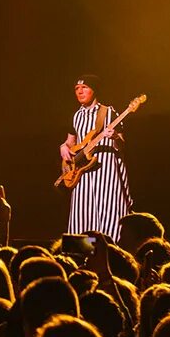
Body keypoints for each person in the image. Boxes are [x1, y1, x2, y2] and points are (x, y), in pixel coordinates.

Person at [59, 75, 131, 240]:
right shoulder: (76, 116)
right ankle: (85, 247)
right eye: (77, 89)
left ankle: (110, 247)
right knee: (82, 211)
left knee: (109, 208)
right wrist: (63, 147)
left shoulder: (108, 112)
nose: (80, 91)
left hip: (105, 169)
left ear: (94, 90)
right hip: (82, 172)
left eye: (84, 87)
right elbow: (70, 142)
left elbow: (123, 143)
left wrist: (114, 137)